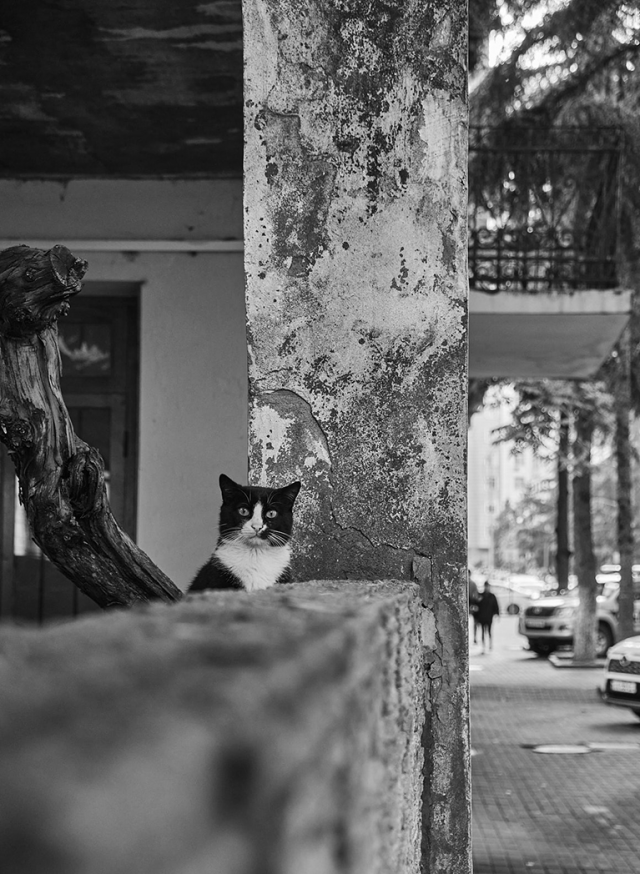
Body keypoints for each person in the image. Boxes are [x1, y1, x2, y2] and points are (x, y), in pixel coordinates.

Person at [476, 582, 500, 652]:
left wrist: (497, 614)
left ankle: (490, 644)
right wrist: (477, 617)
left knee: (489, 631)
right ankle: (483, 646)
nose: (487, 588)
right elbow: (477, 606)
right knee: (483, 631)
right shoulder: (481, 595)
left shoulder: (492, 596)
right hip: (482, 616)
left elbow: (496, 606)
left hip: (489, 616)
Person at [468, 569, 481, 644]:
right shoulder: (471, 583)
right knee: (472, 623)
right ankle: (474, 637)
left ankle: (475, 637)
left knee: (475, 623)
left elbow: (475, 595)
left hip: (471, 604)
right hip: (469, 604)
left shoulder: (472, 584)